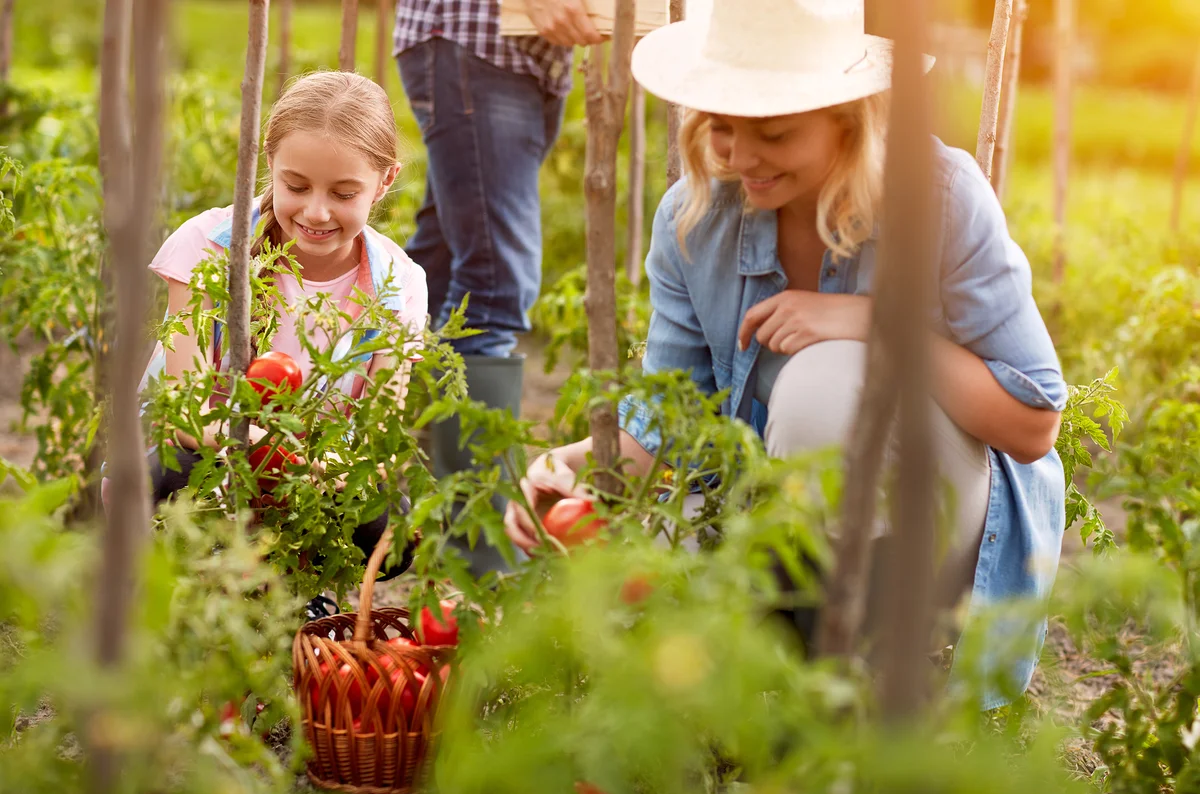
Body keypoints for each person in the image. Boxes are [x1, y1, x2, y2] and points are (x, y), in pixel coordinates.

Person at [502, 0, 1068, 710]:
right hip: (778, 527)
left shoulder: (941, 198)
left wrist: (873, 323)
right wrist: (570, 462)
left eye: (771, 132)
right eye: (721, 128)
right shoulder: (692, 220)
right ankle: (787, 660)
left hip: (940, 521)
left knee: (821, 385)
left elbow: (1030, 423)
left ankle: (867, 684)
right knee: (648, 570)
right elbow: (679, 416)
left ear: (849, 119)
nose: (738, 157)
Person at [133, 71, 428, 588]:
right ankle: (188, 580)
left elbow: (378, 438)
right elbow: (181, 413)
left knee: (389, 521)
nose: (316, 211)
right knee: (169, 472)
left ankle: (300, 586)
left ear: (384, 181)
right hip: (208, 452)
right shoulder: (212, 243)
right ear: (268, 164)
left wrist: (326, 465)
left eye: (343, 193)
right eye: (295, 186)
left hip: (311, 476)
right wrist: (271, 448)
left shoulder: (397, 282)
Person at [392, 0, 605, 576]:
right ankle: (482, 550)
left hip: (523, 55)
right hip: (476, 36)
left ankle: (339, 455)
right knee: (491, 286)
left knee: (430, 273)